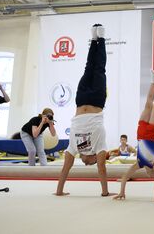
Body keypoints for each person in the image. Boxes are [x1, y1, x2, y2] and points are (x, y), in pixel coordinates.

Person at [55, 24, 112, 197]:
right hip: (96, 100)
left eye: (88, 163)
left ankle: (93, 40)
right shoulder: (98, 146)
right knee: (99, 68)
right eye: (92, 163)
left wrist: (59, 191)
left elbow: (65, 169)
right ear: (95, 157)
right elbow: (102, 168)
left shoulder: (74, 149)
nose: (90, 164)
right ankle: (101, 38)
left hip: (80, 101)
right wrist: (105, 192)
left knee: (88, 67)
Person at [114, 70, 154, 202]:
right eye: (152, 175)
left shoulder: (140, 163)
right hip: (151, 135)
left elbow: (126, 176)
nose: (150, 176)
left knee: (148, 105)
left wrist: (122, 192)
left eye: (151, 175)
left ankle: (152, 80)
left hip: (141, 134)